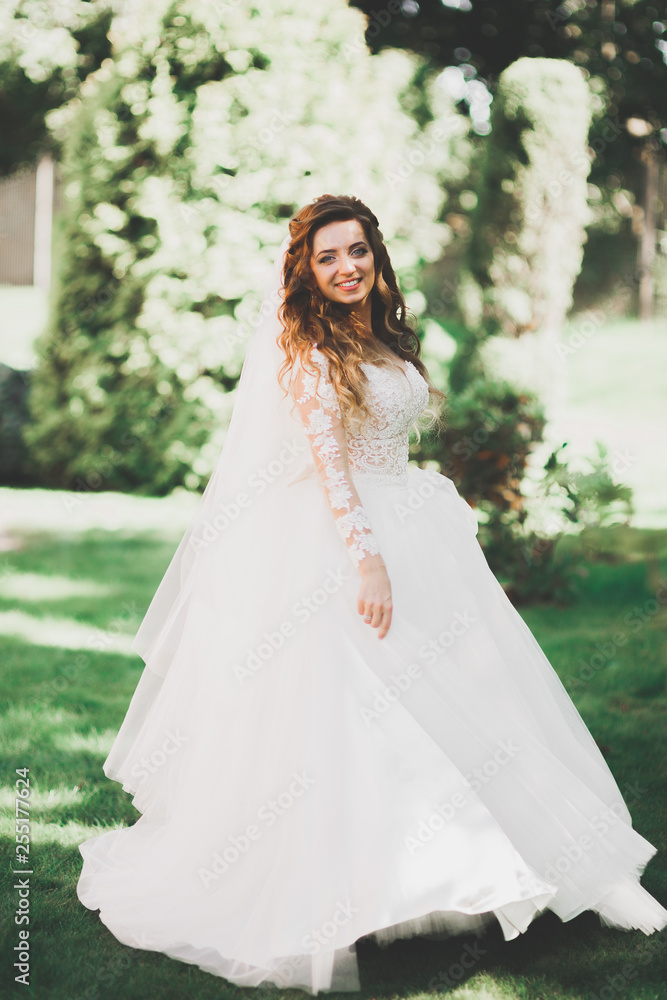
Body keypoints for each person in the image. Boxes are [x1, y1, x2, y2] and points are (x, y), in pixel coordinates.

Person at [76, 194, 667, 996]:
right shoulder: (310, 354)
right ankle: (372, 887)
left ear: (375, 256)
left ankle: (569, 867)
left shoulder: (379, 333)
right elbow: (328, 464)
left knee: (471, 699)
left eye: (357, 251)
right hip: (347, 545)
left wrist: (424, 495)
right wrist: (369, 561)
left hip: (413, 525)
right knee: (365, 711)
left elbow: (382, 441)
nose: (346, 267)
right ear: (306, 272)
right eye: (328, 257)